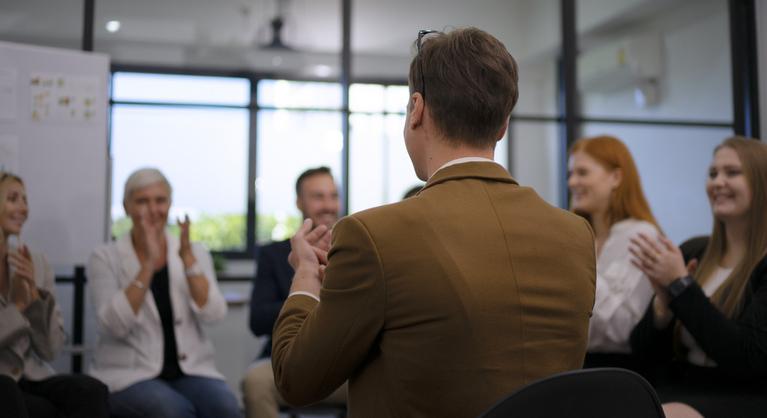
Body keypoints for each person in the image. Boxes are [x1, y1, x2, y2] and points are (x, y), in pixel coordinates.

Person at [271, 27, 596, 418]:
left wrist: (306, 277)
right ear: (503, 124)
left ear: (417, 109)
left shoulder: (373, 236)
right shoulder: (575, 235)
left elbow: (296, 381)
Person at [630, 137, 767, 418]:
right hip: (679, 390)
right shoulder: (694, 251)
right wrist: (663, 306)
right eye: (713, 173)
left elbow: (747, 358)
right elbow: (643, 355)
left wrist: (682, 285)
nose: (718, 182)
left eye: (732, 172)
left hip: (744, 397)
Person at [87, 168, 241, 418]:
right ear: (126, 207)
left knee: (225, 407)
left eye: (160, 200)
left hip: (191, 370)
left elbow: (214, 314)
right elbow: (113, 326)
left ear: (170, 204)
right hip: (130, 374)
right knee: (173, 412)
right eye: (142, 201)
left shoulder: (194, 251)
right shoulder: (105, 257)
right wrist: (147, 265)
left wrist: (189, 261)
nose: (153, 210)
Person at [0, 172, 109, 418]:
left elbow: (51, 350)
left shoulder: (36, 262)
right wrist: (17, 307)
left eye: (25, 200)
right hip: (3, 383)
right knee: (8, 393)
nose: (23, 208)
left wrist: (37, 300)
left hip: (29, 375)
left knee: (90, 390)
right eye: (13, 198)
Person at [241, 166, 346, 418]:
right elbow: (258, 321)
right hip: (289, 360)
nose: (328, 205)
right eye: (318, 197)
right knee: (255, 383)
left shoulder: (356, 250)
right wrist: (305, 284)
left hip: (345, 360)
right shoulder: (274, 254)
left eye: (333, 196)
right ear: (299, 202)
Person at [568, 135, 661, 370]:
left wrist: (578, 264)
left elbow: (622, 329)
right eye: (571, 174)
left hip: (619, 371)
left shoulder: (641, 237)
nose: (572, 182)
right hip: (575, 365)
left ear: (616, 177)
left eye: (582, 173)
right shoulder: (579, 236)